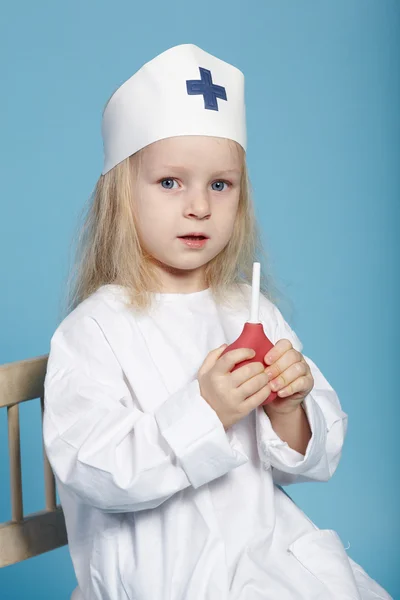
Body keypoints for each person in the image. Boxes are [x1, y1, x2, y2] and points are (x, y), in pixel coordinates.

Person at [43, 44, 391, 600]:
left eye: (220, 184)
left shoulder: (249, 310)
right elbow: (95, 470)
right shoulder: (93, 330)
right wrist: (205, 411)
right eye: (170, 183)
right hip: (160, 576)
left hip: (261, 558)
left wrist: (289, 411)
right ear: (120, 197)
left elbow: (317, 461)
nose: (199, 206)